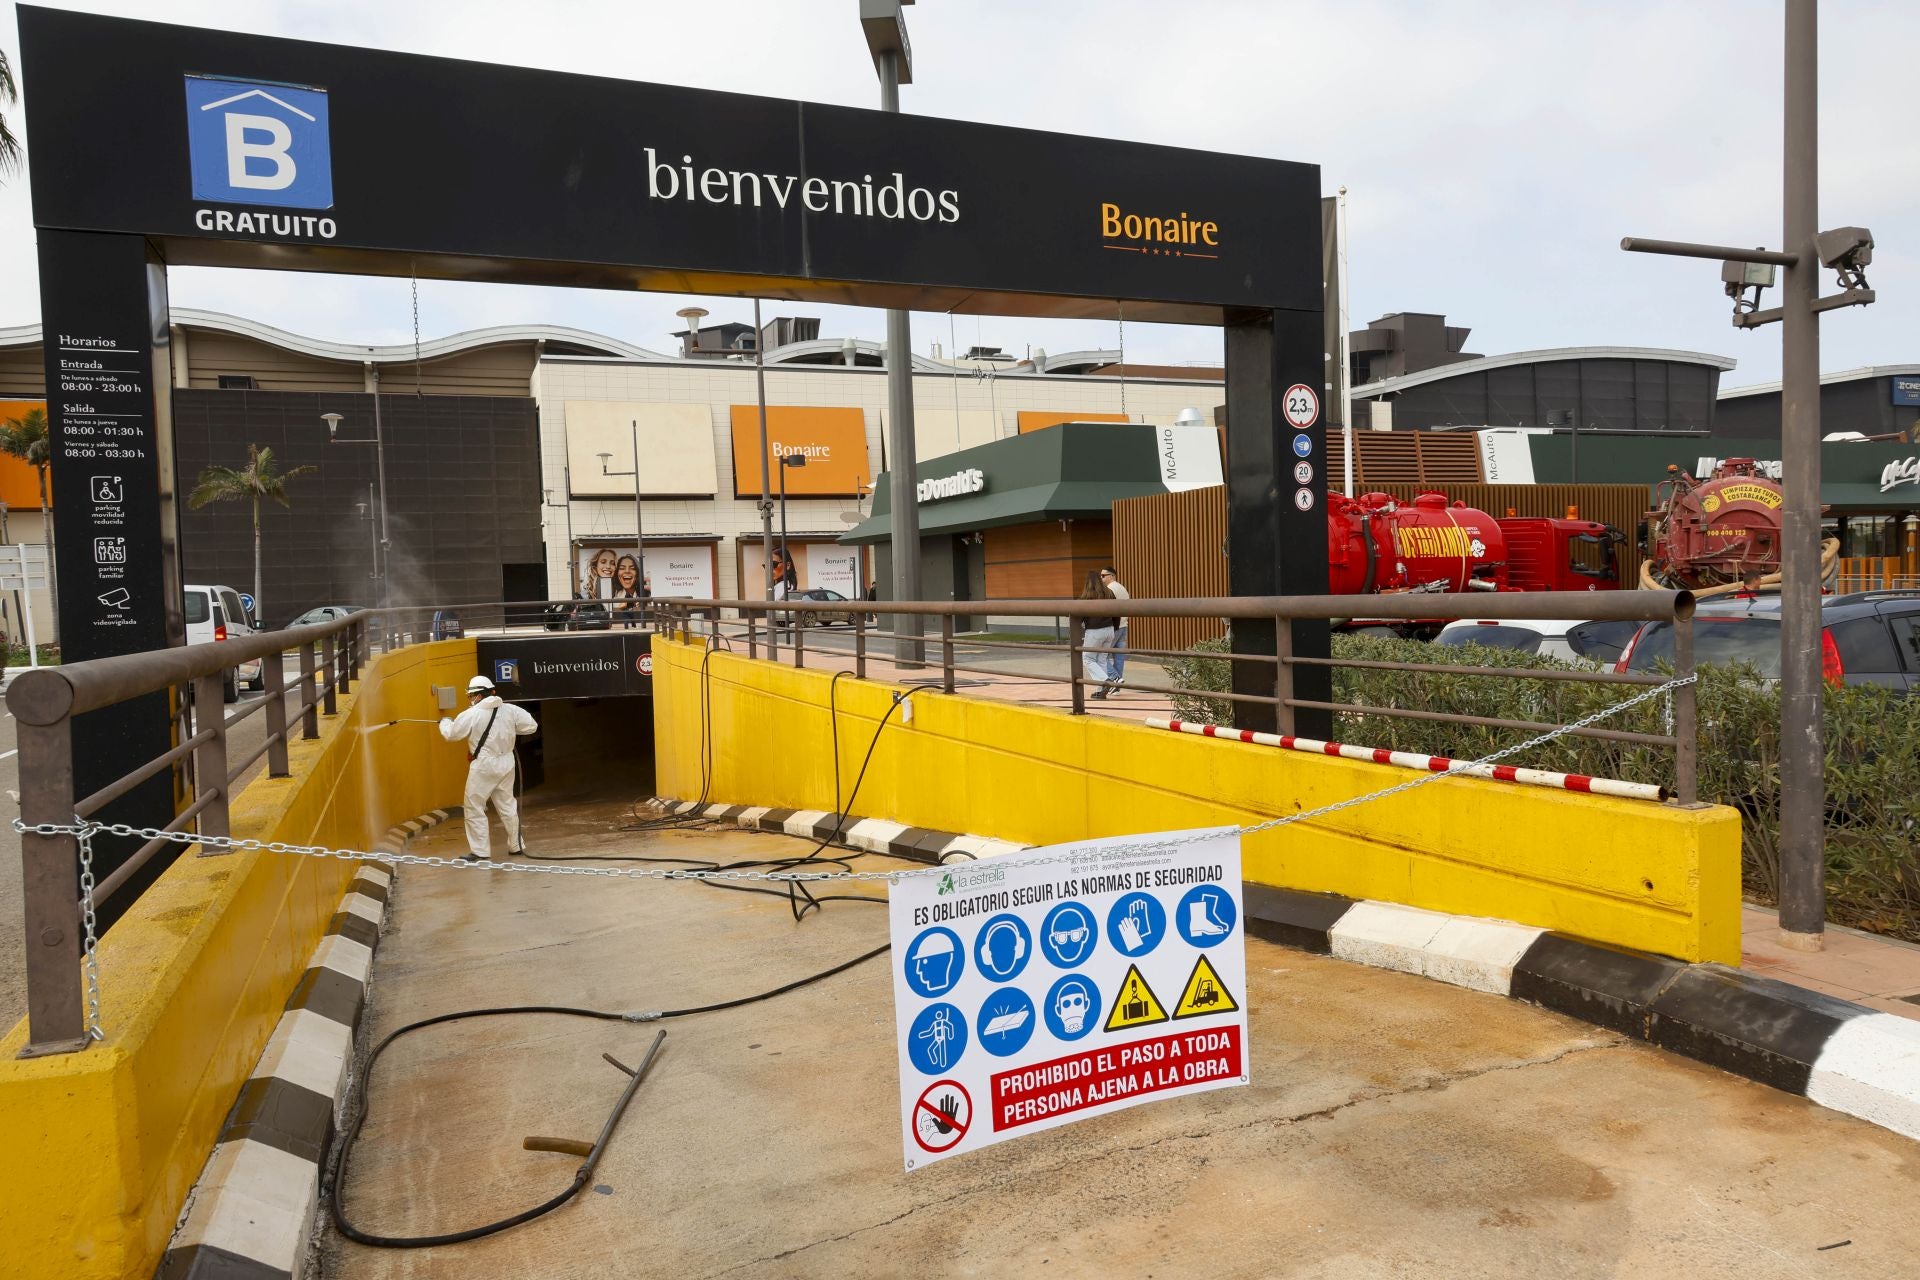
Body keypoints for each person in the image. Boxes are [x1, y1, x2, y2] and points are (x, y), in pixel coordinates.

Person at [438, 674, 538, 861]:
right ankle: (516, 845)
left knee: (474, 805)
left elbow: (451, 734)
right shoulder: (510, 710)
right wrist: (507, 731)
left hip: (484, 765)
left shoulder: (471, 714)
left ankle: (480, 852)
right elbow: (531, 726)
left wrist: (445, 723)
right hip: (507, 762)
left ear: (477, 696)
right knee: (508, 805)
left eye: (470, 696)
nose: (470, 699)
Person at [1078, 569, 1119, 699]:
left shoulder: (1086, 596)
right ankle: (1101, 691)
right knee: (1101, 659)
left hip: (1095, 631)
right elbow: (1116, 612)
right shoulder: (1109, 592)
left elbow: (1079, 617)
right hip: (1110, 630)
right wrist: (1115, 628)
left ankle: (1105, 680)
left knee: (1088, 659)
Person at [1099, 566, 1131, 690]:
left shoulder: (1110, 589)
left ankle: (1114, 678)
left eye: (1103, 576)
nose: (1101, 578)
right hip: (1123, 626)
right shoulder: (1122, 588)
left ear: (1112, 576)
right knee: (1119, 657)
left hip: (1114, 627)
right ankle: (1116, 687)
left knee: (1100, 655)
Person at [613, 554, 650, 629]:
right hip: (626, 613)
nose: (627, 571)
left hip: (631, 612)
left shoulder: (646, 594)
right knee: (627, 620)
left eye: (632, 568)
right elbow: (619, 606)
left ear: (637, 574)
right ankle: (627, 627)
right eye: (622, 568)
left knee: (632, 620)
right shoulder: (613, 595)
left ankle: (633, 626)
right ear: (617, 573)